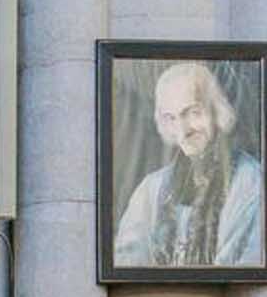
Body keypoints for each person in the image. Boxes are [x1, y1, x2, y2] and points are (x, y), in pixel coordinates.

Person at [114, 61, 265, 270]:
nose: (183, 131)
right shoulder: (151, 189)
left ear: (216, 110)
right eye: (172, 118)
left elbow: (245, 270)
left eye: (193, 113)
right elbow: (127, 263)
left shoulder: (252, 182)